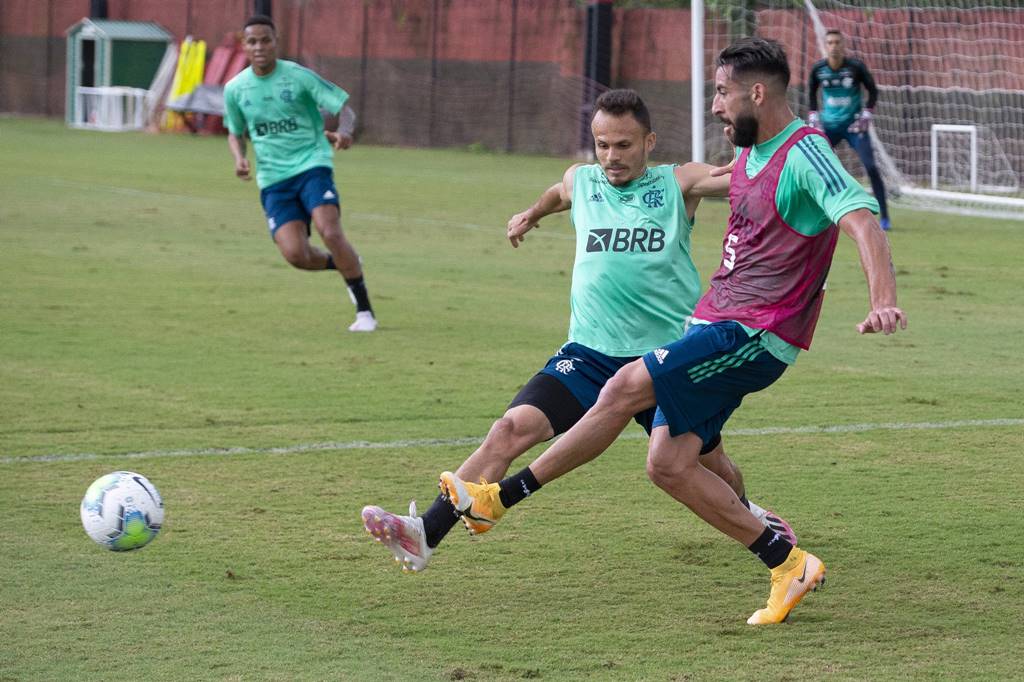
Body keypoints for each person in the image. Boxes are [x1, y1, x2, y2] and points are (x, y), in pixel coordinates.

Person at [439, 38, 907, 625]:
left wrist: (883, 301)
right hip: (715, 319)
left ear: (755, 93)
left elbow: (860, 219)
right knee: (668, 464)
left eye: (720, 92)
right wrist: (538, 211)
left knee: (623, 389)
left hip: (754, 331)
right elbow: (574, 188)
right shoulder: (753, 156)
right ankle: (787, 563)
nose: (713, 106)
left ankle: (497, 499)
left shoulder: (804, 152)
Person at [361, 89, 798, 572]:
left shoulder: (679, 183)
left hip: (665, 362)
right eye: (603, 145)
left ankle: (751, 514)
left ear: (650, 141)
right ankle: (425, 533)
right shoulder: (582, 180)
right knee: (508, 430)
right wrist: (531, 213)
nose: (613, 157)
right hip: (588, 354)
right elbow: (558, 192)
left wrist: (769, 134)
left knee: (711, 465)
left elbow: (742, 177)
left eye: (625, 145)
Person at [223, 14, 376, 332]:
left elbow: (343, 108)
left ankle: (364, 312)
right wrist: (239, 158)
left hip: (312, 165)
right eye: (252, 41)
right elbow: (235, 132)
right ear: (244, 46)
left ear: (276, 42)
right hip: (273, 179)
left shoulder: (298, 77)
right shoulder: (235, 89)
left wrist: (345, 132)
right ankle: (346, 262)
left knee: (330, 232)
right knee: (296, 255)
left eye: (266, 40)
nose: (260, 46)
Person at [808, 29, 891, 231]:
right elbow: (811, 93)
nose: (834, 46)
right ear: (825, 46)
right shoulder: (818, 69)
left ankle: (885, 216)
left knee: (871, 167)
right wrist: (813, 115)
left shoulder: (855, 67)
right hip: (829, 127)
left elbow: (872, 90)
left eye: (837, 42)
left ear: (843, 45)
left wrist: (867, 113)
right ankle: (815, 213)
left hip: (853, 127)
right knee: (812, 166)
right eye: (830, 43)